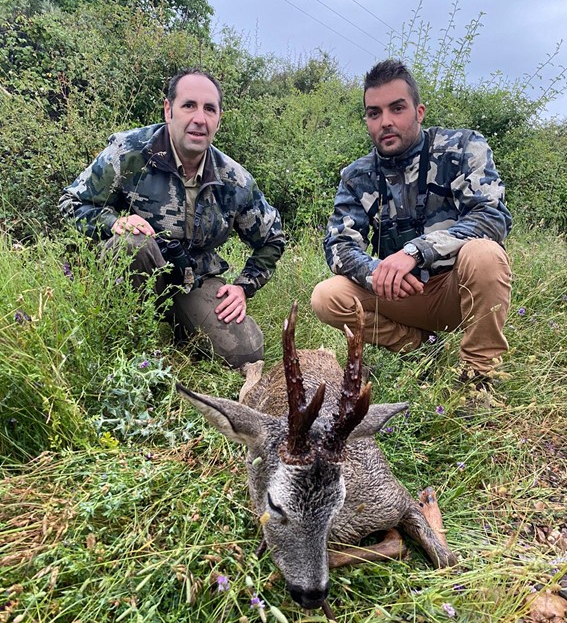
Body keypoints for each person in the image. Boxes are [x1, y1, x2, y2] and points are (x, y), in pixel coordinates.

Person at [60, 68, 285, 370]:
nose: (199, 119)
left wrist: (244, 287)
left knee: (246, 353)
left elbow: (272, 238)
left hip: (192, 278)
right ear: (169, 110)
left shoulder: (233, 179)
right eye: (188, 105)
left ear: (219, 118)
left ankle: (184, 326)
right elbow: (72, 202)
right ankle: (124, 346)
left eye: (209, 109)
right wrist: (113, 222)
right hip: (132, 270)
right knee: (133, 244)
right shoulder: (129, 152)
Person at [311, 58, 512, 395]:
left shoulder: (462, 148)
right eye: (374, 113)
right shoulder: (357, 176)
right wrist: (377, 273)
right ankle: (417, 349)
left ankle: (477, 379)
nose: (386, 122)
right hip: (402, 293)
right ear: (367, 120)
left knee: (485, 254)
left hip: (456, 289)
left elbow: (491, 216)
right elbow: (338, 245)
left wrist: (416, 252)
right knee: (326, 297)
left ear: (419, 112)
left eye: (397, 108)